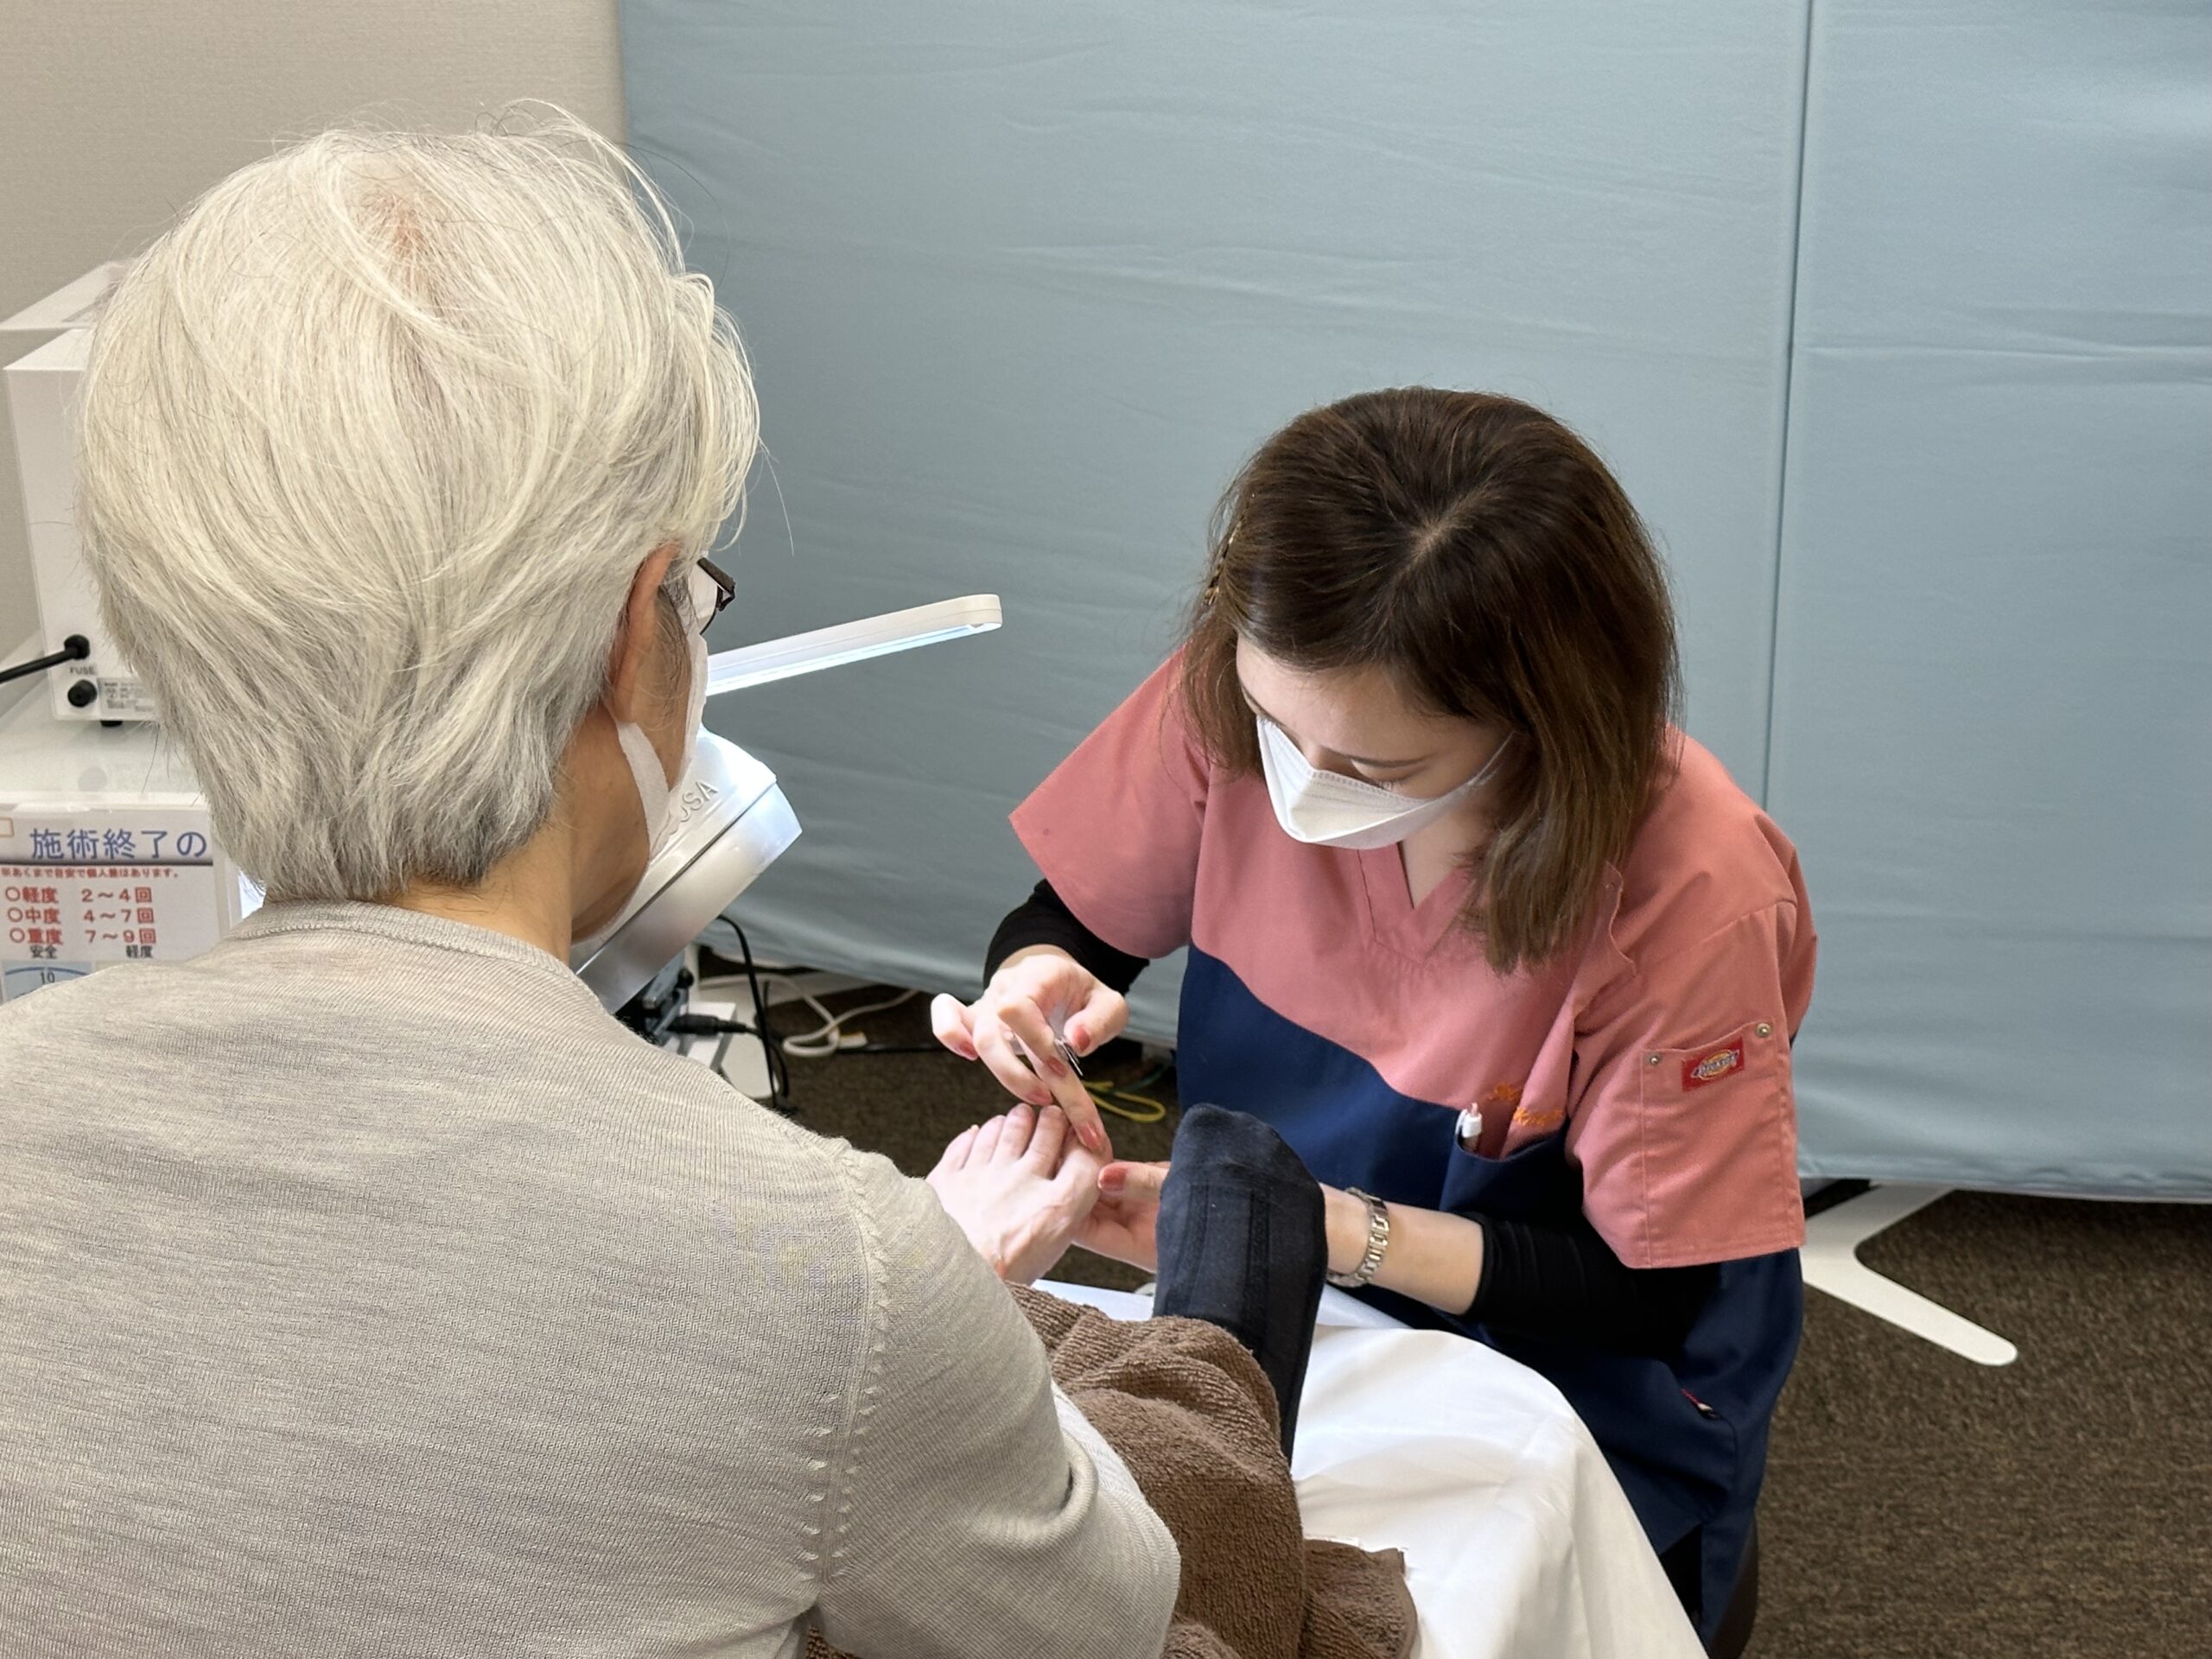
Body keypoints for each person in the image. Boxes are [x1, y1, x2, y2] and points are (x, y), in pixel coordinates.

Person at [0, 114, 1184, 1658]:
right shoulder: (828, 1268)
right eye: (698, 601)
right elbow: (1114, 1620)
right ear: (642, 631)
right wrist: (931, 1332)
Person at [934, 388, 1816, 1652]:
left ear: (1545, 728)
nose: (1295, 796)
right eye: (1275, 735)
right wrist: (1033, 976)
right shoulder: (1250, 702)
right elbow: (1072, 915)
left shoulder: (1693, 896)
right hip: (1284, 1272)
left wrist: (1336, 1235)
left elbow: (1645, 1294)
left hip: (1583, 1347)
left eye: (1375, 773)